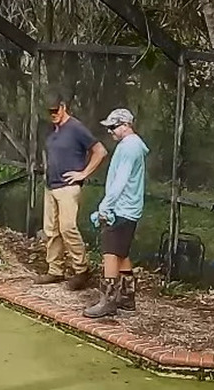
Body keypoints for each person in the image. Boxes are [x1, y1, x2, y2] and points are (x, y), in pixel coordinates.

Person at [36, 89, 107, 290]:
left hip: (68, 187)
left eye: (55, 110)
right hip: (51, 186)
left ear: (64, 107)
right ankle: (55, 270)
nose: (53, 115)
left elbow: (100, 151)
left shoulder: (76, 128)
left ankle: (82, 270)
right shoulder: (52, 130)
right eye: (49, 112)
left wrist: (83, 173)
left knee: (68, 228)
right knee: (51, 230)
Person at [84, 108, 148, 318]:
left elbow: (120, 181)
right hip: (128, 209)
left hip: (122, 209)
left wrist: (106, 205)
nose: (110, 131)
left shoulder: (129, 148)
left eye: (113, 127)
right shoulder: (132, 146)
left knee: (110, 253)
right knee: (122, 253)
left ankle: (108, 300)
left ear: (125, 126)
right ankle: (127, 297)